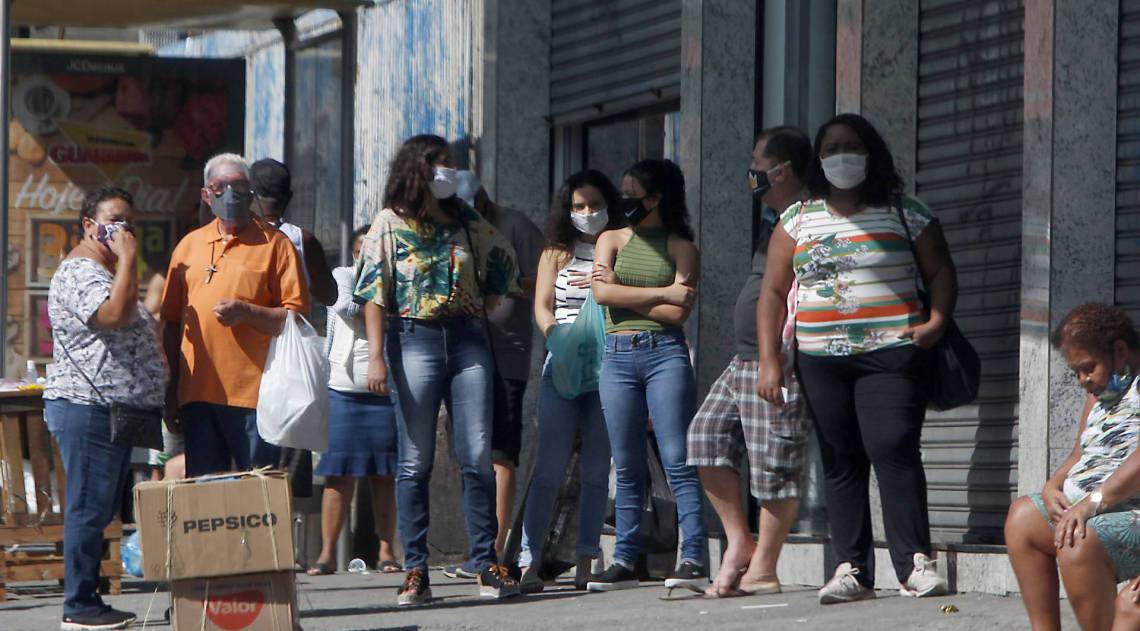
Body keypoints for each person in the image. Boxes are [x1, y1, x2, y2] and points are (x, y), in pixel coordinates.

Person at [756, 113, 955, 603]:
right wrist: (769, 360)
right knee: (841, 460)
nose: (840, 155)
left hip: (891, 352)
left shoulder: (905, 210)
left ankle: (914, 563)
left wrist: (937, 321)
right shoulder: (798, 218)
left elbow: (941, 270)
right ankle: (852, 570)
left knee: (893, 446)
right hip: (820, 358)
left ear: (871, 153)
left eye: (851, 145)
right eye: (830, 148)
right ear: (818, 161)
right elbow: (773, 290)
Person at [355, 134, 522, 605]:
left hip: (469, 339)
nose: (450, 173)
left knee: (476, 454)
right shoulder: (388, 223)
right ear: (420, 169)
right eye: (443, 165)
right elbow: (373, 292)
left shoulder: (465, 218)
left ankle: (486, 563)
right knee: (415, 461)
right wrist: (374, 356)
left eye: (452, 165)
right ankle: (415, 570)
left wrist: (486, 298)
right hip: (412, 338)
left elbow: (503, 256)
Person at [687, 126, 814, 598]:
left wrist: (771, 360)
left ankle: (764, 567)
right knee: (703, 439)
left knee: (774, 461)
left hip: (776, 356)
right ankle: (739, 541)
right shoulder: (775, 219)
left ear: (782, 171)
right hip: (744, 357)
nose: (752, 174)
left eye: (758, 165)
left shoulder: (805, 218)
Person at [44, 186, 168, 630]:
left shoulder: (109, 271)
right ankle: (78, 607)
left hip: (116, 407)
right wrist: (131, 259)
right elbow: (113, 316)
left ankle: (90, 597)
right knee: (86, 507)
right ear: (89, 225)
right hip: (87, 406)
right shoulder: (80, 272)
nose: (124, 231)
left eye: (130, 222)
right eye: (115, 220)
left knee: (99, 508)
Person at [586, 158, 707, 592]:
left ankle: (692, 556)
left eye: (631, 194)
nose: (624, 201)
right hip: (617, 356)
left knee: (678, 460)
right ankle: (625, 559)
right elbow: (601, 293)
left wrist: (625, 294)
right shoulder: (610, 239)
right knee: (628, 463)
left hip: (664, 355)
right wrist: (661, 290)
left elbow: (679, 312)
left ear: (656, 199)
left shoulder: (681, 246)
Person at [160, 153, 310, 477]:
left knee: (258, 488)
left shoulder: (276, 245)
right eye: (220, 186)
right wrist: (171, 393)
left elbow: (296, 317)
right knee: (205, 490)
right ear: (206, 194)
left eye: (239, 185)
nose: (230, 193)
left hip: (256, 397)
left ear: (252, 192)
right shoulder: (189, 246)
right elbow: (171, 325)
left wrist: (247, 312)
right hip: (197, 395)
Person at [517, 169, 624, 593]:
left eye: (594, 204)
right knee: (548, 468)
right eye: (578, 206)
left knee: (598, 470)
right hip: (560, 369)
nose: (586, 213)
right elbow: (542, 306)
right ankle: (530, 559)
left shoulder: (619, 247)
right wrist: (555, 336)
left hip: (609, 369)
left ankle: (585, 556)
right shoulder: (555, 254)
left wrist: (606, 284)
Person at [1005, 303, 1140, 631]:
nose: (1082, 380)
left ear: (1119, 351)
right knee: (1022, 518)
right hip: (1097, 506)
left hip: (1129, 509)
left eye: (1088, 368)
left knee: (1076, 538)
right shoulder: (1100, 394)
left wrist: (1090, 504)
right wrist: (1053, 486)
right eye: (1075, 372)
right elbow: (1081, 453)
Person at [442, 170, 544, 573]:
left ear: (484, 199)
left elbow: (544, 280)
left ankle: (496, 551)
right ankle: (480, 546)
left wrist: (506, 286)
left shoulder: (515, 225)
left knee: (501, 455)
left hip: (505, 356)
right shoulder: (449, 227)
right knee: (471, 455)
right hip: (463, 355)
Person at [307, 226, 400, 576]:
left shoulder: (397, 277)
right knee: (338, 475)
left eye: (374, 251)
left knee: (385, 474)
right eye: (362, 250)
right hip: (343, 388)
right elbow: (344, 305)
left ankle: (387, 551)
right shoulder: (342, 275)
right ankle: (326, 555)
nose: (367, 258)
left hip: (387, 389)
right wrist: (381, 309)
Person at [250, 158, 336, 306]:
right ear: (289, 198)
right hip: (290, 327)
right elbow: (329, 296)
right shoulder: (304, 240)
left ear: (249, 195)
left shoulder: (232, 236)